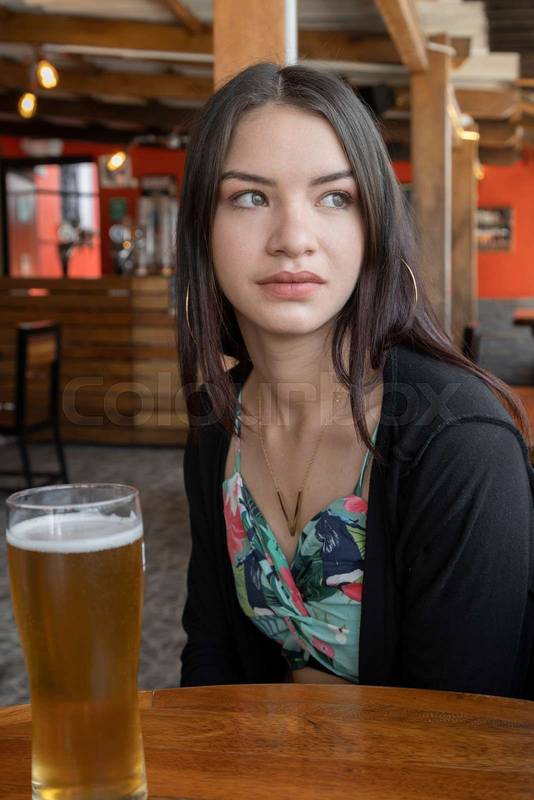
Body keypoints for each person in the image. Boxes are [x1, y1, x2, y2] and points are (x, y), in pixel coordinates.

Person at [176, 62, 534, 698]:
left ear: (375, 230)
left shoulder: (459, 443)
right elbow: (210, 660)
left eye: (335, 198)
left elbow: (459, 740)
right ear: (203, 230)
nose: (293, 239)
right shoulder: (216, 420)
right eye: (250, 197)